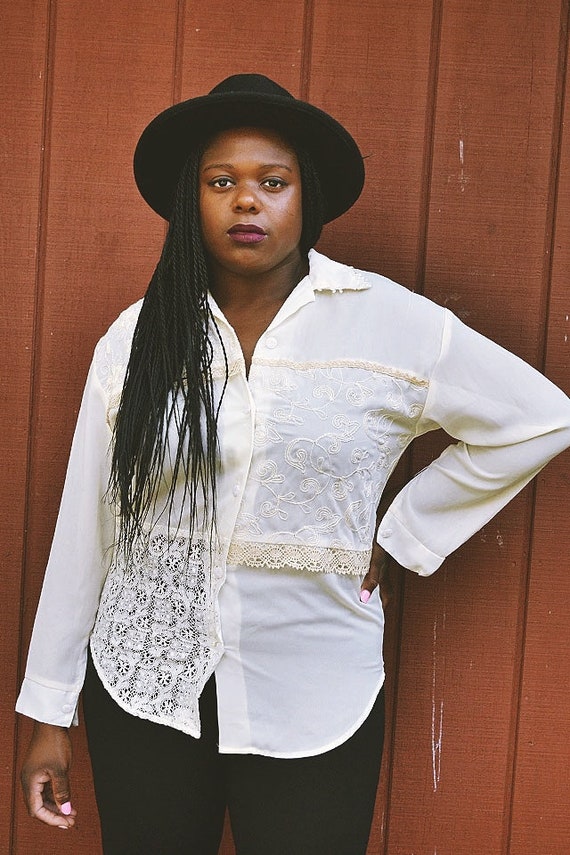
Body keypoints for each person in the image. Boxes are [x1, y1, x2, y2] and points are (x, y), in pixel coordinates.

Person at [16, 74, 570, 855]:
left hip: (317, 696)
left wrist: (406, 529)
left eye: (273, 182)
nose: (248, 201)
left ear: (305, 199)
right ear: (192, 199)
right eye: (221, 182)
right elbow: (88, 526)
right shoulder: (137, 337)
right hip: (146, 694)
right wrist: (49, 713)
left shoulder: (391, 325)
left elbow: (538, 418)